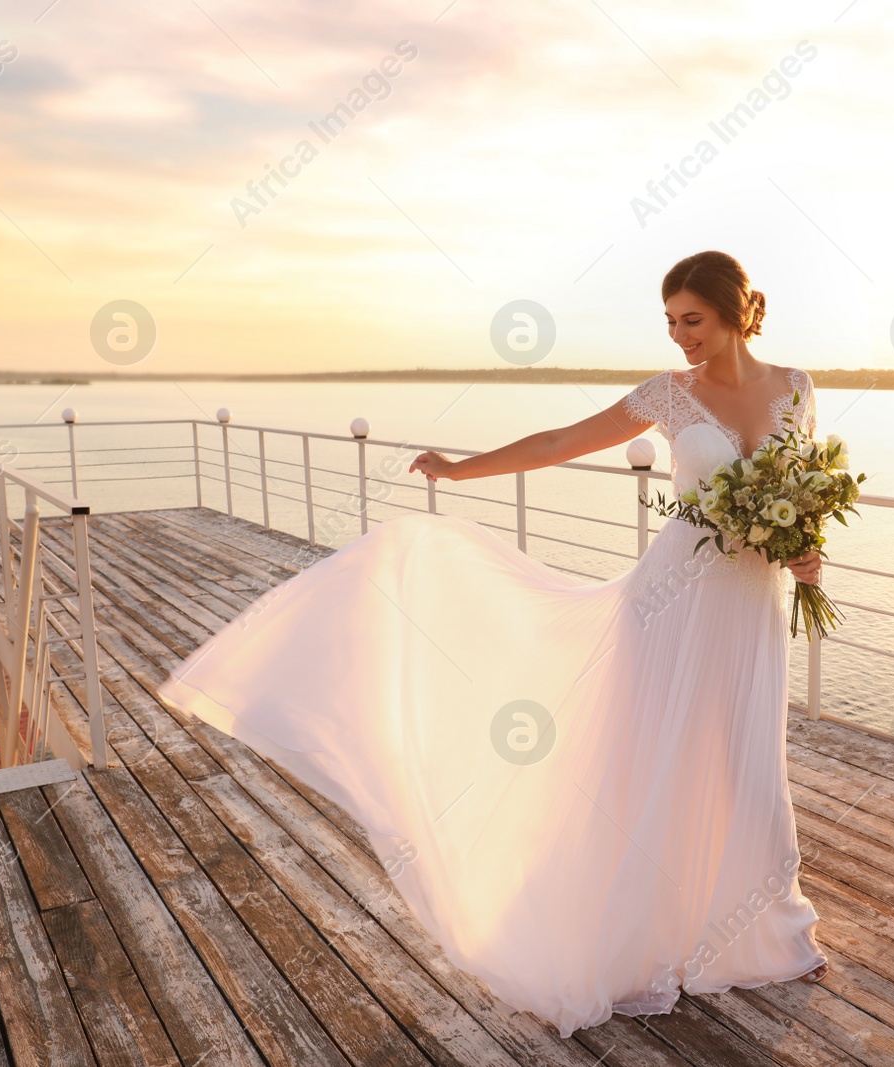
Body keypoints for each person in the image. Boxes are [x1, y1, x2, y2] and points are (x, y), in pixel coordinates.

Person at [156, 250, 832, 1040]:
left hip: (751, 601)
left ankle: (764, 922)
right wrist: (460, 469)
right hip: (671, 598)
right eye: (672, 322)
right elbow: (556, 442)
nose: (682, 337)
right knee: (661, 755)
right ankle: (654, 926)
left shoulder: (797, 389)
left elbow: (800, 490)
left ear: (734, 311)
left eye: (695, 321)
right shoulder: (667, 396)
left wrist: (808, 549)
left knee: (747, 754)